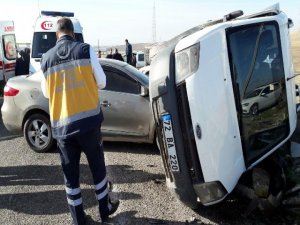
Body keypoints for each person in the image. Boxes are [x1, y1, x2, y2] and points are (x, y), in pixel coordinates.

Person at [40, 17, 119, 225]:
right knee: (98, 169)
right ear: (72, 32)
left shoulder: (46, 59)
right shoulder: (85, 50)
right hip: (89, 125)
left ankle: (78, 219)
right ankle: (105, 209)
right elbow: (102, 82)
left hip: (63, 129)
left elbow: (47, 93)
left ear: (57, 34)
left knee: (71, 176)